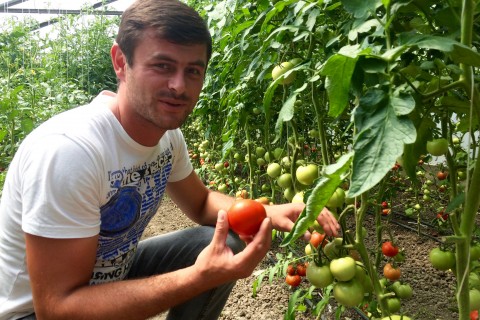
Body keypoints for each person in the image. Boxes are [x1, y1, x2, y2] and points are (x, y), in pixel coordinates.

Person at [0, 0, 340, 319]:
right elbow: (57, 309)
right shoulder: (70, 151)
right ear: (121, 62)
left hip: (105, 276)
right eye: (163, 66)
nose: (179, 86)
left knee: (219, 243)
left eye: (193, 71)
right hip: (32, 311)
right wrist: (198, 277)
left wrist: (269, 211)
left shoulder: (166, 135)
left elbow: (202, 201)